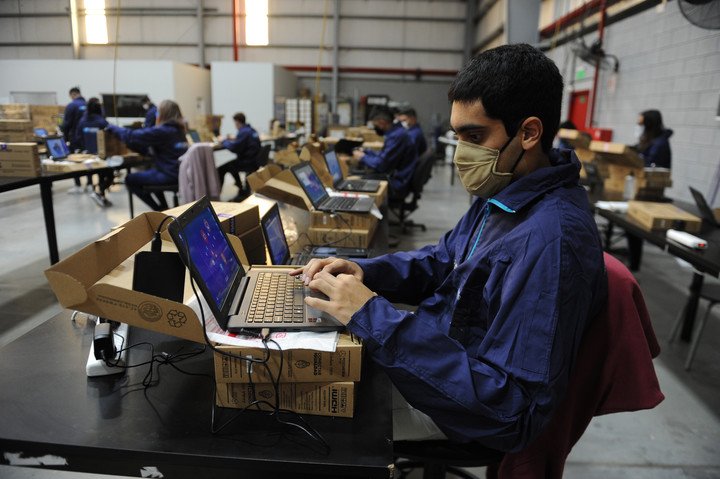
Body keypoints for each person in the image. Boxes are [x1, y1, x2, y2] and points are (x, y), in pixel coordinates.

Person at [292, 44, 608, 452]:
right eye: (458, 136)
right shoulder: (505, 192)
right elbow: (444, 261)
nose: (462, 154)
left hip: (464, 412)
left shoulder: (552, 243)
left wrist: (373, 315)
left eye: (475, 136)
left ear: (529, 132)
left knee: (299, 416)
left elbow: (511, 410)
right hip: (441, 356)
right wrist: (367, 273)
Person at [105, 100, 188, 211]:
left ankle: (159, 211)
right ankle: (164, 209)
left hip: (169, 175)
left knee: (130, 180)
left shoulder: (162, 131)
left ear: (163, 114)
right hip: (179, 174)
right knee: (151, 172)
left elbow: (132, 136)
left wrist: (112, 127)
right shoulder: (179, 131)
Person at [352, 105, 418, 197]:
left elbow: (381, 165)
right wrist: (366, 152)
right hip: (396, 177)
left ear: (382, 122)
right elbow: (384, 156)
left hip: (396, 183)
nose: (374, 128)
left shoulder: (397, 136)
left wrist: (362, 157)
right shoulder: (396, 132)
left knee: (354, 182)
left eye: (375, 124)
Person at [76, 97, 112, 207]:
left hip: (87, 156)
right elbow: (110, 136)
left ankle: (98, 192)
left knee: (96, 174)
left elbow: (78, 137)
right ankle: (100, 192)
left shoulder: (82, 121)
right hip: (101, 155)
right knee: (109, 176)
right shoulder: (101, 121)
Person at [217, 112, 261, 201]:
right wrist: (235, 138)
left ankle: (218, 196)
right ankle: (242, 189)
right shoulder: (251, 130)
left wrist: (223, 141)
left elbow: (234, 148)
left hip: (247, 162)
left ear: (237, 122)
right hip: (254, 161)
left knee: (222, 168)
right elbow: (243, 142)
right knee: (231, 165)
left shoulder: (243, 132)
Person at [61, 86, 87, 193]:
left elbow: (66, 124)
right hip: (87, 139)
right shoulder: (88, 104)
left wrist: (64, 136)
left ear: (73, 94)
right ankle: (90, 184)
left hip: (75, 139)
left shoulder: (72, 105)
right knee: (88, 161)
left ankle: (78, 185)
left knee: (74, 161)